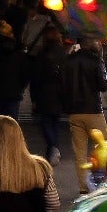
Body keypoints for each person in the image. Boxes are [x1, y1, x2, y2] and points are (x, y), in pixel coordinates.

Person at [61, 38, 107, 195]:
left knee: (79, 153)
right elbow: (104, 86)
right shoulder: (96, 61)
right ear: (90, 42)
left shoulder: (68, 61)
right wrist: (101, 60)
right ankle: (104, 183)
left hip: (74, 112)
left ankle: (84, 187)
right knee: (104, 147)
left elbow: (62, 85)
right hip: (93, 111)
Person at [29, 25, 70, 165]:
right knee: (56, 121)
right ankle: (54, 147)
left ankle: (52, 147)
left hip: (44, 92)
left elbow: (35, 76)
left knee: (46, 122)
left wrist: (33, 96)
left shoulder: (42, 54)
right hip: (59, 92)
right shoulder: (63, 53)